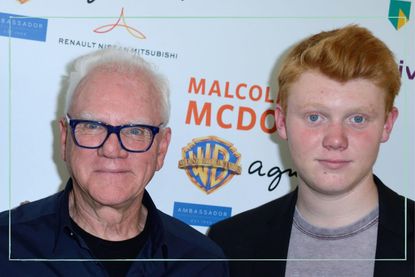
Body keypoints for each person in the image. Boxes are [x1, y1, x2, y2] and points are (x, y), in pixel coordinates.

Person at [0, 48, 229, 276]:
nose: (111, 149)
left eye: (136, 131)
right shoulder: (6, 245)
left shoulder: (202, 263)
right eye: (92, 126)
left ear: (161, 148)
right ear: (64, 139)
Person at [208, 25, 414, 277]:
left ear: (387, 125)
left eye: (357, 119)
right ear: (281, 122)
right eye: (315, 117)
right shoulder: (230, 244)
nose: (336, 140)